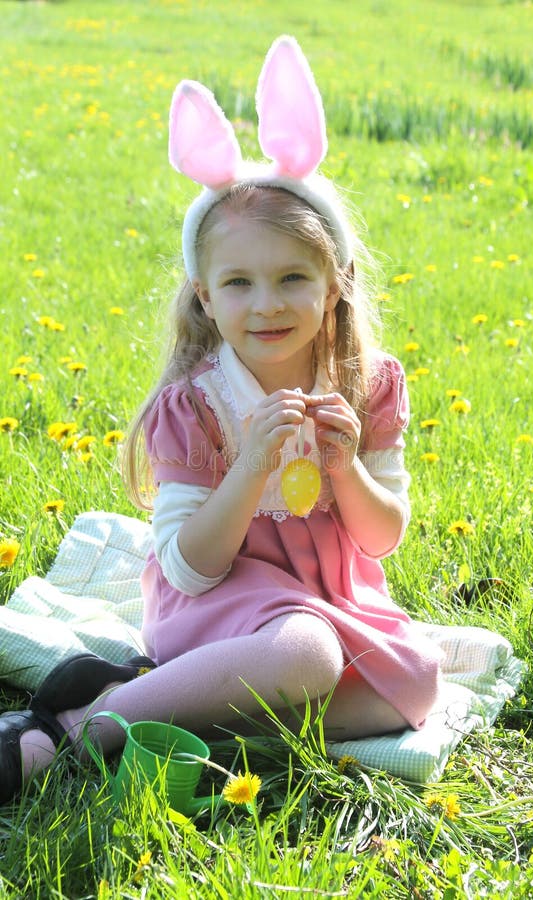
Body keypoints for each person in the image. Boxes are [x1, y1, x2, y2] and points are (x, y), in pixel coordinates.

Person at [0, 35, 442, 805]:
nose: (266, 303)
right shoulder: (199, 405)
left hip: (331, 595)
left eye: (291, 278)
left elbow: (381, 538)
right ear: (205, 296)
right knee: (306, 656)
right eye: (238, 282)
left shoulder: (365, 386)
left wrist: (347, 468)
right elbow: (186, 565)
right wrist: (251, 470)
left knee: (415, 687)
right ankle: (79, 729)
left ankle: (169, 707)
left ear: (334, 284)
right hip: (220, 601)